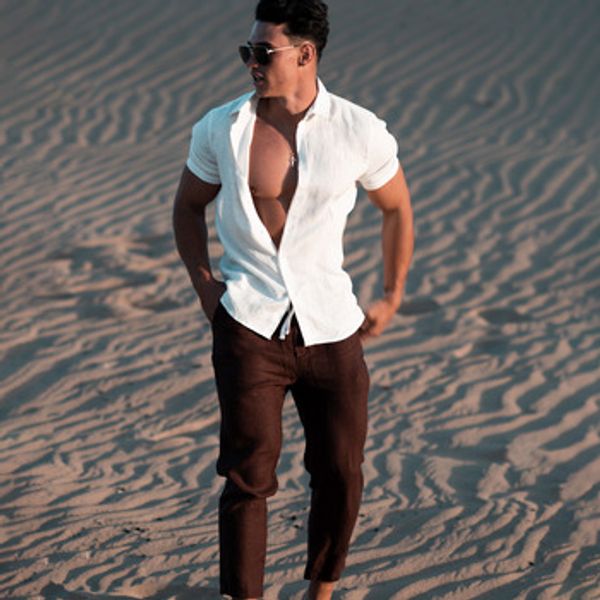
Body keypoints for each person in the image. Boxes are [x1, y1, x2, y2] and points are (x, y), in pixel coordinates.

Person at [172, 1, 413, 597]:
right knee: (247, 476)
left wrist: (391, 294)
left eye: (263, 52)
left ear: (305, 54)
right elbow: (188, 207)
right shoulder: (222, 128)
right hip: (249, 324)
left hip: (331, 327)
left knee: (341, 472)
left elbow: (396, 209)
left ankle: (321, 592)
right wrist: (206, 289)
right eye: (247, 52)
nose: (251, 63)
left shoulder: (359, 129)